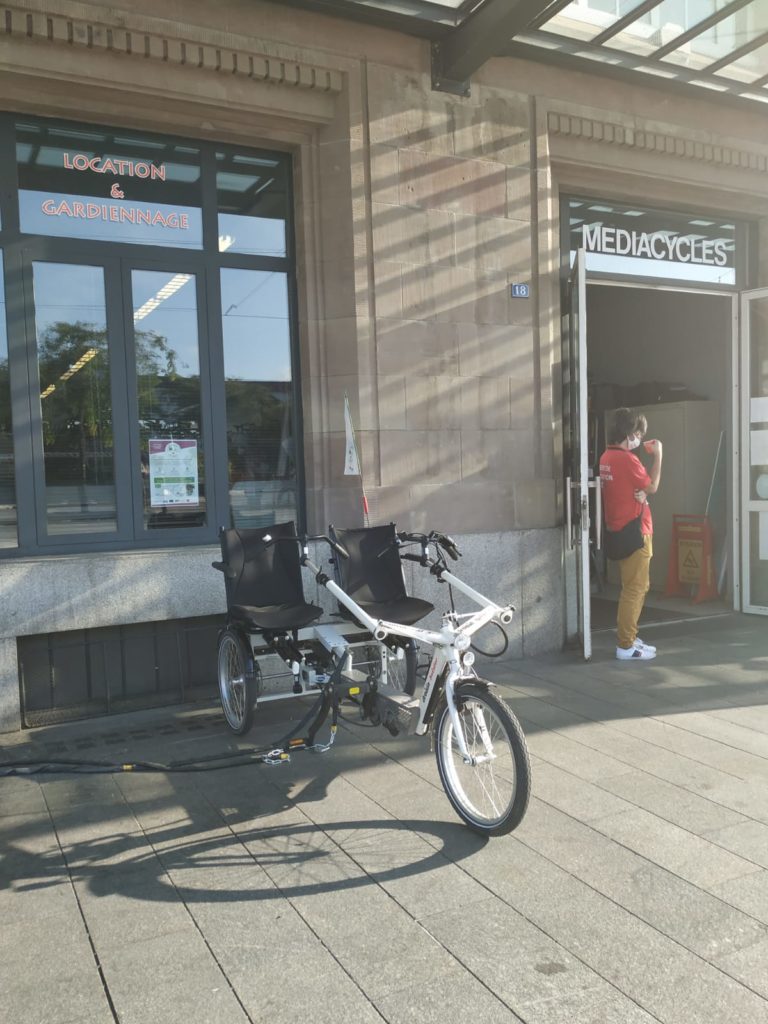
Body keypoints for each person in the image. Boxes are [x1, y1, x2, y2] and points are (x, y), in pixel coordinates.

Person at [599, 408, 663, 661]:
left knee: (634, 587)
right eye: (637, 433)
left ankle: (630, 637)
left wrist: (642, 493)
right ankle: (626, 644)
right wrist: (659, 455)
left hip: (619, 529)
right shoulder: (627, 460)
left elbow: (633, 489)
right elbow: (653, 486)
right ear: (628, 433)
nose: (638, 438)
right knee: (635, 589)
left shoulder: (606, 457)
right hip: (636, 531)